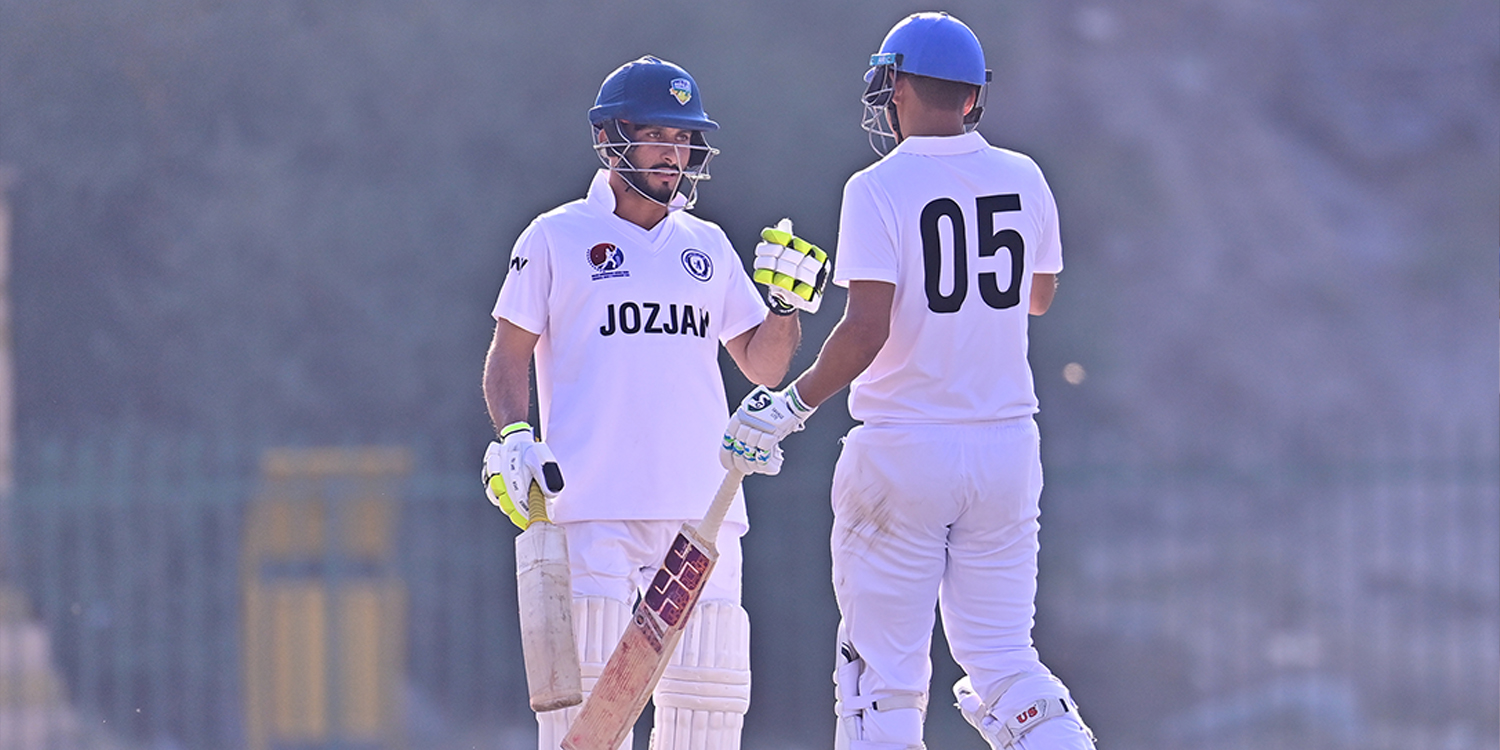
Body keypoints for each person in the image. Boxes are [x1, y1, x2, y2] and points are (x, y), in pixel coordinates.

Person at [721, 12, 1096, 750]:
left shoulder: (876, 187)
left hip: (904, 446)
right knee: (1003, 662)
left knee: (881, 683)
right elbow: (1040, 293)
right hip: (1005, 445)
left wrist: (792, 403)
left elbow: (867, 327)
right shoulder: (1024, 175)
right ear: (972, 97)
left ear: (893, 87)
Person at [481, 56, 828, 750]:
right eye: (658, 136)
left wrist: (786, 308)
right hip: (592, 505)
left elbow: (761, 362)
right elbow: (507, 355)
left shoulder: (708, 245)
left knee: (705, 718)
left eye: (683, 139)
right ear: (614, 137)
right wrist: (516, 436)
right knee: (583, 725)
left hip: (700, 511)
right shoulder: (555, 236)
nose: (674, 154)